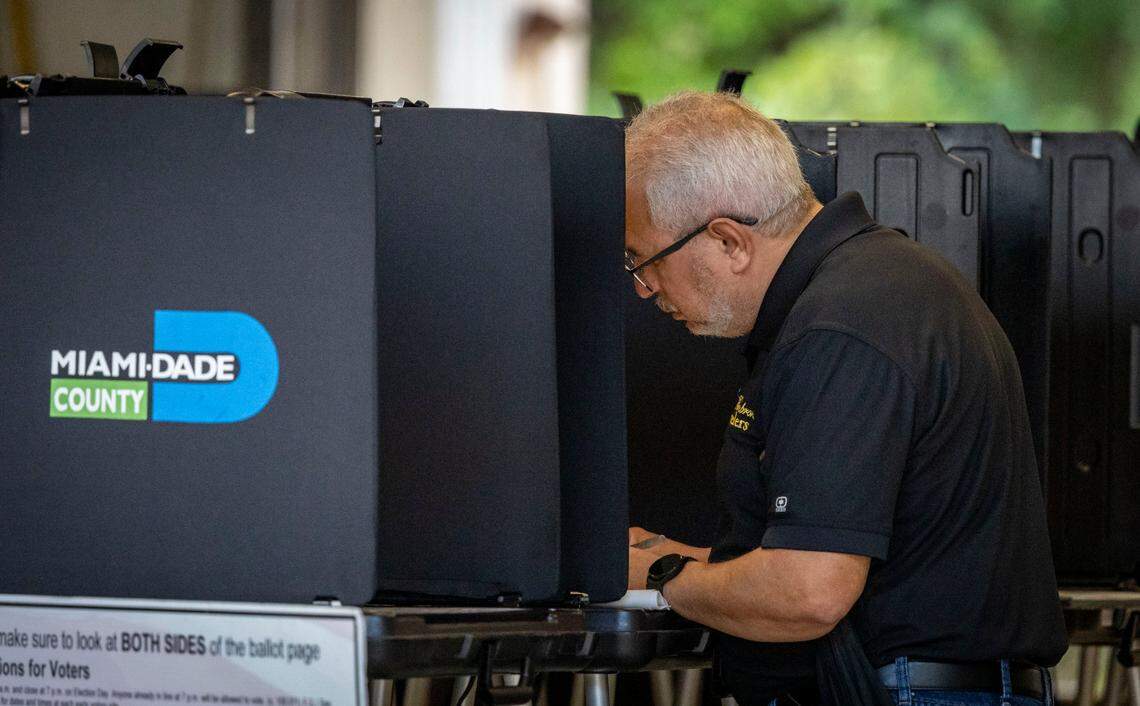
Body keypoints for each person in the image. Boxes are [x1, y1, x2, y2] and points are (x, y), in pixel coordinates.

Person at [623, 91, 1067, 706]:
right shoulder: (882, 284)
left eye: (643, 260)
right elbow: (855, 550)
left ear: (728, 241)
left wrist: (662, 576)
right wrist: (683, 556)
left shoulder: (839, 328)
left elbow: (809, 593)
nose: (644, 289)